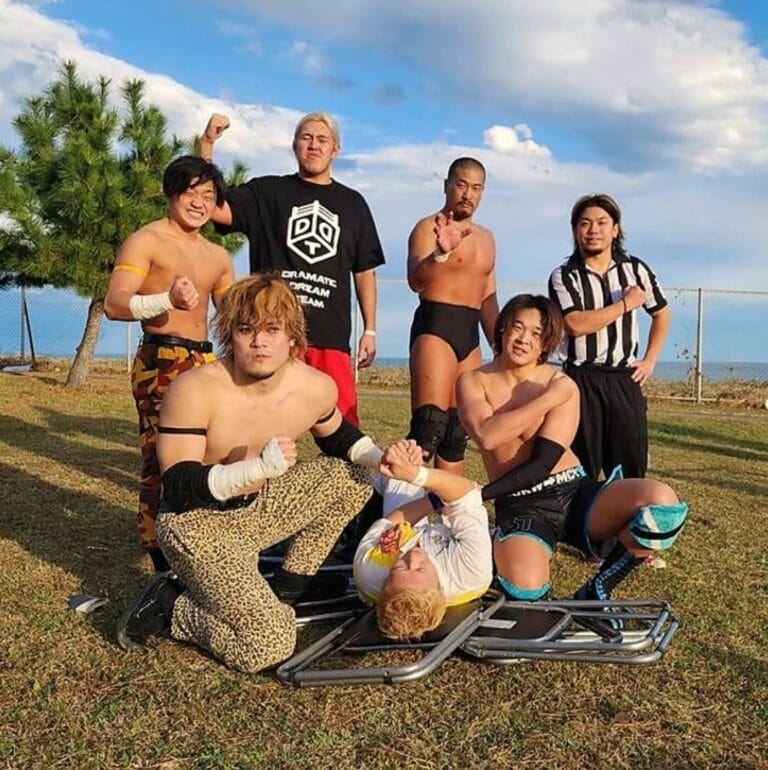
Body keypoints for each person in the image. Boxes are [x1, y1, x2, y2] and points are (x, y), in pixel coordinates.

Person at [116, 274, 384, 673]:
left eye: (272, 329)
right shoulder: (194, 388)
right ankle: (171, 605)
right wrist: (254, 469)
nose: (259, 342)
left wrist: (384, 460)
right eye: (246, 330)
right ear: (229, 334)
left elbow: (338, 438)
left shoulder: (314, 386)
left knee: (356, 477)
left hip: (258, 510)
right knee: (268, 643)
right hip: (196, 525)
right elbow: (178, 483)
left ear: (292, 337)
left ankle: (287, 589)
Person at [457, 294, 687, 603]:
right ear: (502, 329)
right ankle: (503, 544)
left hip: (573, 490)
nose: (524, 339)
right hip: (521, 504)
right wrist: (547, 400)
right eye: (517, 327)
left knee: (662, 502)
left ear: (547, 342)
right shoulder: (474, 381)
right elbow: (487, 435)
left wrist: (480, 494)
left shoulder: (561, 382)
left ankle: (598, 589)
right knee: (525, 587)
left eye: (536, 333)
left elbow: (543, 463)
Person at [199, 111, 385, 426]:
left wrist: (370, 329)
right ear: (295, 145)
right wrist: (207, 145)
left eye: (322, 140)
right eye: (306, 138)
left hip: (329, 335)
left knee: (344, 425)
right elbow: (215, 208)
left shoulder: (353, 204)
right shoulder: (266, 192)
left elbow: (365, 270)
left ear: (335, 150)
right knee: (261, 423)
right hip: (272, 332)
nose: (314, 145)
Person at [104, 156, 235, 572]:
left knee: (209, 453)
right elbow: (115, 304)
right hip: (160, 357)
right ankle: (158, 553)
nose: (199, 202)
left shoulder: (218, 256)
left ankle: (197, 539)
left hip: (205, 360)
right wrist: (167, 300)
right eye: (190, 191)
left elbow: (233, 318)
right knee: (160, 456)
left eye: (208, 195)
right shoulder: (146, 241)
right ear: (170, 192)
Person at [548, 193, 671, 480]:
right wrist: (625, 304)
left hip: (623, 378)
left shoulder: (636, 269)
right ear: (575, 230)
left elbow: (662, 314)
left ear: (615, 229)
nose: (593, 230)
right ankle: (583, 511)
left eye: (602, 223)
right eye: (585, 223)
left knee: (630, 468)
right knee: (580, 469)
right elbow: (574, 324)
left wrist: (650, 360)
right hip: (581, 379)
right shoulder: (564, 275)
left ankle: (628, 511)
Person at [406, 157, 498, 475]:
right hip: (436, 326)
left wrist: (500, 347)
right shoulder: (427, 228)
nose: (467, 194)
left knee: (456, 435)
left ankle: (447, 507)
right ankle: (395, 504)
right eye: (461, 185)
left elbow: (488, 297)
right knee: (427, 429)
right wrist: (440, 253)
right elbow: (416, 280)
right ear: (446, 185)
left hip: (469, 333)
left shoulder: (487, 239)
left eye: (476, 188)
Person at [353, 440, 493, 640]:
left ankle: (390, 465)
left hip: (407, 530)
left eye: (400, 568)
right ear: (440, 589)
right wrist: (420, 477)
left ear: (385, 583)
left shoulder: (370, 571)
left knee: (398, 472)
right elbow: (467, 491)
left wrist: (430, 496)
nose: (413, 557)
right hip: (451, 538)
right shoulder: (470, 569)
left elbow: (390, 522)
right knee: (446, 490)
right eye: (420, 569)